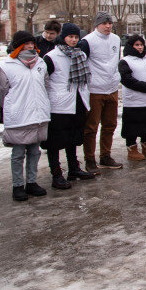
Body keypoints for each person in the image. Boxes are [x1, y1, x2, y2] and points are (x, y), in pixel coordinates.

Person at [0, 31, 50, 201]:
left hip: (38, 114)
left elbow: (46, 85)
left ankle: (31, 182)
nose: (30, 46)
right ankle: (17, 185)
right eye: (26, 44)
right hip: (19, 116)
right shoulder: (7, 66)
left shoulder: (41, 63)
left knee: (34, 151)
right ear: (18, 45)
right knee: (18, 153)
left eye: (32, 43)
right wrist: (12, 106)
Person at [42, 23, 96, 189]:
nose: (73, 40)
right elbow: (44, 80)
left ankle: (73, 168)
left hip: (77, 102)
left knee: (73, 138)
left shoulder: (80, 54)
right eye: (70, 37)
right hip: (58, 105)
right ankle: (56, 174)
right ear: (63, 37)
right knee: (55, 141)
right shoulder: (51, 57)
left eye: (75, 37)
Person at [78, 12, 123, 172]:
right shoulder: (87, 41)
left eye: (110, 23)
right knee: (91, 127)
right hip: (94, 90)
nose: (108, 26)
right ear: (97, 24)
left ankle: (105, 155)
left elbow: (116, 60)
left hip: (111, 88)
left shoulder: (116, 40)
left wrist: (116, 78)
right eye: (104, 23)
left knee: (110, 125)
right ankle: (89, 159)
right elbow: (81, 64)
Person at [118, 35, 146, 161]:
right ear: (131, 46)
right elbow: (127, 80)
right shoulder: (125, 61)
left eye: (141, 45)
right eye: (137, 45)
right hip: (134, 102)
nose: (140, 47)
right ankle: (132, 149)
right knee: (132, 127)